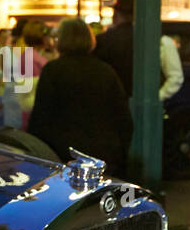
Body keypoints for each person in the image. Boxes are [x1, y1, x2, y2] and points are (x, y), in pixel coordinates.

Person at [28, 17, 132, 175]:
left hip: (64, 155)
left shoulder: (53, 71)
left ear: (61, 39)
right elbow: (123, 118)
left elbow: (41, 117)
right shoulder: (105, 71)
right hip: (102, 154)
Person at [94, 0, 184, 101]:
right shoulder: (159, 41)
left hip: (111, 104)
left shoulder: (102, 40)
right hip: (142, 103)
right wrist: (155, 98)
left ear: (116, 15)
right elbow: (175, 78)